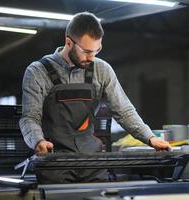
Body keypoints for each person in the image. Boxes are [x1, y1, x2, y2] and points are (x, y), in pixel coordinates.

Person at [19, 11, 171, 183]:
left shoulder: (102, 69)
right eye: (86, 51)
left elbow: (124, 110)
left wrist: (150, 138)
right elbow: (29, 118)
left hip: (91, 161)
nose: (92, 58)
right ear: (69, 42)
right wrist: (37, 141)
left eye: (97, 50)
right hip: (54, 163)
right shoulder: (38, 72)